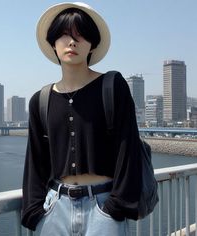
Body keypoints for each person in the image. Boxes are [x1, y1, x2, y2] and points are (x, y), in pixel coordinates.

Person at [21, 2, 142, 235]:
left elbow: (128, 149)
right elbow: (36, 161)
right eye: (64, 35)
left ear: (92, 44)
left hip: (103, 208)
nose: (72, 41)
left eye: (81, 35)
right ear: (53, 44)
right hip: (54, 209)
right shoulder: (41, 100)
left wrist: (115, 207)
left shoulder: (113, 86)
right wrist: (34, 211)